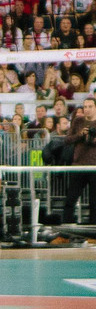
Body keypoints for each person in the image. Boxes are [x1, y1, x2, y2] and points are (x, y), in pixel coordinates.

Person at [63, 96, 96, 226]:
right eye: (85, 107)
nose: (87, 110)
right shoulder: (78, 121)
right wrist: (80, 135)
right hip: (78, 165)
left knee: (94, 201)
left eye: (90, 107)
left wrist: (92, 139)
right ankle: (66, 227)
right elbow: (67, 139)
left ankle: (93, 229)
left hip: (94, 166)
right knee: (70, 198)